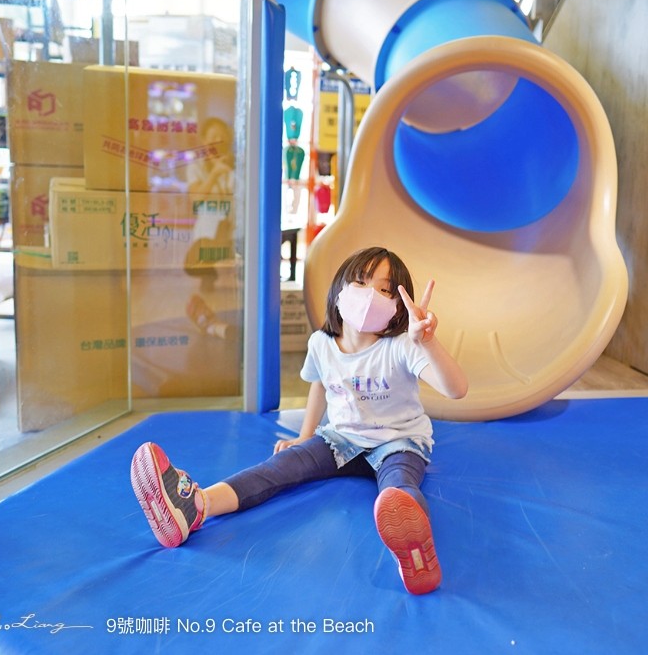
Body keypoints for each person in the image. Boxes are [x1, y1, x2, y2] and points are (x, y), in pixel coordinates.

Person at [130, 246, 468, 595]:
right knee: (279, 467)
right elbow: (320, 386)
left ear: (399, 307)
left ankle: (413, 549)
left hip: (399, 440)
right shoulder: (321, 343)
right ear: (340, 290)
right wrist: (305, 436)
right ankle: (196, 505)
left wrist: (428, 343)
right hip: (341, 438)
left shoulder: (401, 346)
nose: (370, 296)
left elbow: (456, 389)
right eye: (361, 282)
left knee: (398, 487)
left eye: (385, 290)